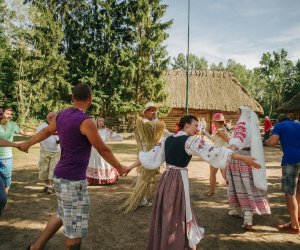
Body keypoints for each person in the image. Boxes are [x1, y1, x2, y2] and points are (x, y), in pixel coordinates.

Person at [126, 115, 260, 250]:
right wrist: (242, 157)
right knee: (179, 211)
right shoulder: (190, 141)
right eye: (196, 125)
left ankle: (165, 242)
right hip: (178, 179)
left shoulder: (167, 140)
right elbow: (214, 152)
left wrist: (128, 168)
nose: (198, 129)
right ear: (187, 125)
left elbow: (147, 156)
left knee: (167, 210)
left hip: (166, 179)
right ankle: (176, 243)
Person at [18, 83, 127, 250]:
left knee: (62, 213)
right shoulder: (86, 121)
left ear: (72, 98)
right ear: (90, 100)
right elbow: (102, 148)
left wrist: (27, 143)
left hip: (60, 176)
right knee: (74, 229)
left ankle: (36, 246)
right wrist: (119, 167)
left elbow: (46, 131)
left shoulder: (62, 114)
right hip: (73, 181)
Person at [227, 106, 271, 230]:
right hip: (251, 156)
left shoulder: (242, 124)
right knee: (249, 184)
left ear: (241, 113)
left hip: (240, 157)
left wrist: (230, 151)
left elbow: (237, 141)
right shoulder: (252, 125)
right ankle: (246, 215)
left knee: (242, 185)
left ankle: (247, 218)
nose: (236, 116)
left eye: (237, 113)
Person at [118, 102, 167, 213]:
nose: (154, 112)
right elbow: (153, 128)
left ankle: (142, 196)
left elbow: (158, 130)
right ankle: (141, 199)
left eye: (155, 110)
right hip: (146, 151)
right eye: (151, 110)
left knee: (146, 176)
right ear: (145, 112)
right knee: (144, 176)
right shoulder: (144, 123)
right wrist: (156, 121)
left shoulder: (149, 122)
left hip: (150, 151)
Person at [265, 114, 300, 234]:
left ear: (279, 121)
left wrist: (265, 141)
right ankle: (296, 221)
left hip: (291, 161)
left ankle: (295, 226)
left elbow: (273, 142)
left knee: (290, 194)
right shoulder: (298, 125)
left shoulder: (280, 126)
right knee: (298, 193)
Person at [0, 107, 34, 206]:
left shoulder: (13, 124)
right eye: (7, 113)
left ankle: (3, 200)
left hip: (6, 157)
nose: (9, 116)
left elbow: (23, 133)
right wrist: (16, 145)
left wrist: (35, 133)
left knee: (6, 181)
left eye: (10, 114)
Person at [86, 116, 123, 184]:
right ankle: (93, 179)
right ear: (96, 122)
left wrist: (112, 132)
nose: (101, 122)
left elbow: (118, 137)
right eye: (99, 121)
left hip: (103, 149)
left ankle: (106, 179)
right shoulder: (93, 130)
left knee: (104, 163)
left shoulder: (106, 131)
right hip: (93, 151)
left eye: (102, 121)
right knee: (93, 163)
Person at [202, 113, 230, 196]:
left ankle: (212, 191)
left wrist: (225, 151)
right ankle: (213, 191)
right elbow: (214, 140)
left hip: (219, 154)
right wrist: (205, 132)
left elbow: (229, 141)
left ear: (217, 122)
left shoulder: (220, 131)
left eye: (214, 121)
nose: (213, 122)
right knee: (223, 175)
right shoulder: (220, 130)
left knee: (218, 174)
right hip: (219, 154)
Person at [36, 112, 60, 194]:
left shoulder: (59, 125)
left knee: (53, 169)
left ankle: (50, 187)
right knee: (43, 169)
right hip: (44, 151)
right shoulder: (41, 126)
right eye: (54, 119)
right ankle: (46, 186)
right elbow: (37, 137)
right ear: (49, 119)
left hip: (56, 151)